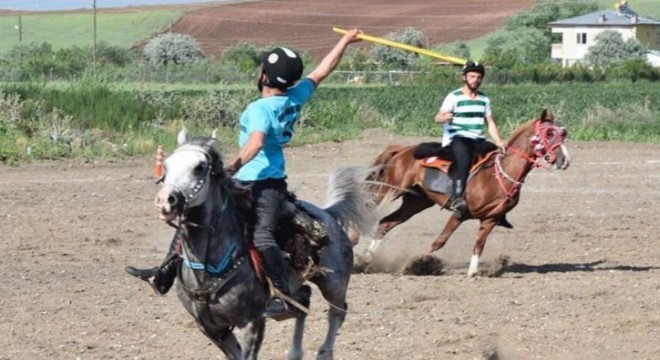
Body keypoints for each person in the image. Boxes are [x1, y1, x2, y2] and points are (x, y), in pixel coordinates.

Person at [126, 29, 362, 318]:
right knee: (195, 217)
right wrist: (344, 42)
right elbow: (322, 71)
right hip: (256, 182)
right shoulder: (294, 98)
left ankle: (281, 294)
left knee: (263, 237)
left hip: (264, 185)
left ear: (264, 77)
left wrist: (230, 168)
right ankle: (163, 273)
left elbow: (256, 142)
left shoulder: (259, 108)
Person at [434, 61, 506, 219]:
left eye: (479, 77)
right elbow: (438, 117)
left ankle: (495, 201)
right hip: (457, 137)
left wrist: (499, 142)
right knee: (464, 159)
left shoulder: (484, 99)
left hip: (477, 139)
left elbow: (490, 122)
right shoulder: (454, 96)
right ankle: (457, 198)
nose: (475, 80)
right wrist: (443, 117)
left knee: (496, 157)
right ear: (464, 77)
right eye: (472, 76)